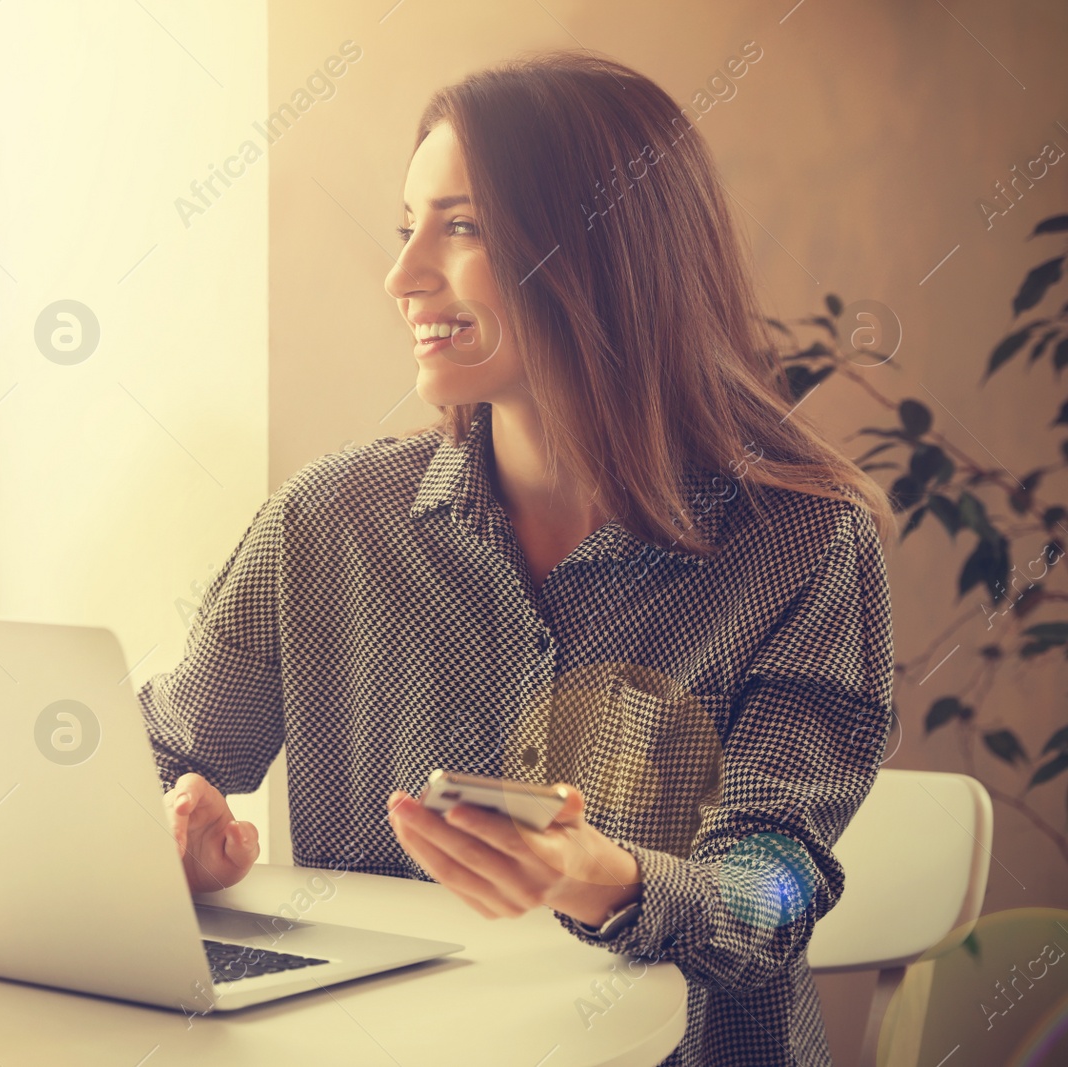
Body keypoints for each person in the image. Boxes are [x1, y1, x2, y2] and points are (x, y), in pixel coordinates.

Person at [139, 49, 895, 1067]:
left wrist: (606, 876)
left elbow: (776, 882)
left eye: (462, 227)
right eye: (408, 227)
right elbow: (164, 750)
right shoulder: (329, 521)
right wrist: (164, 826)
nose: (400, 275)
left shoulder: (805, 546)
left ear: (601, 251)